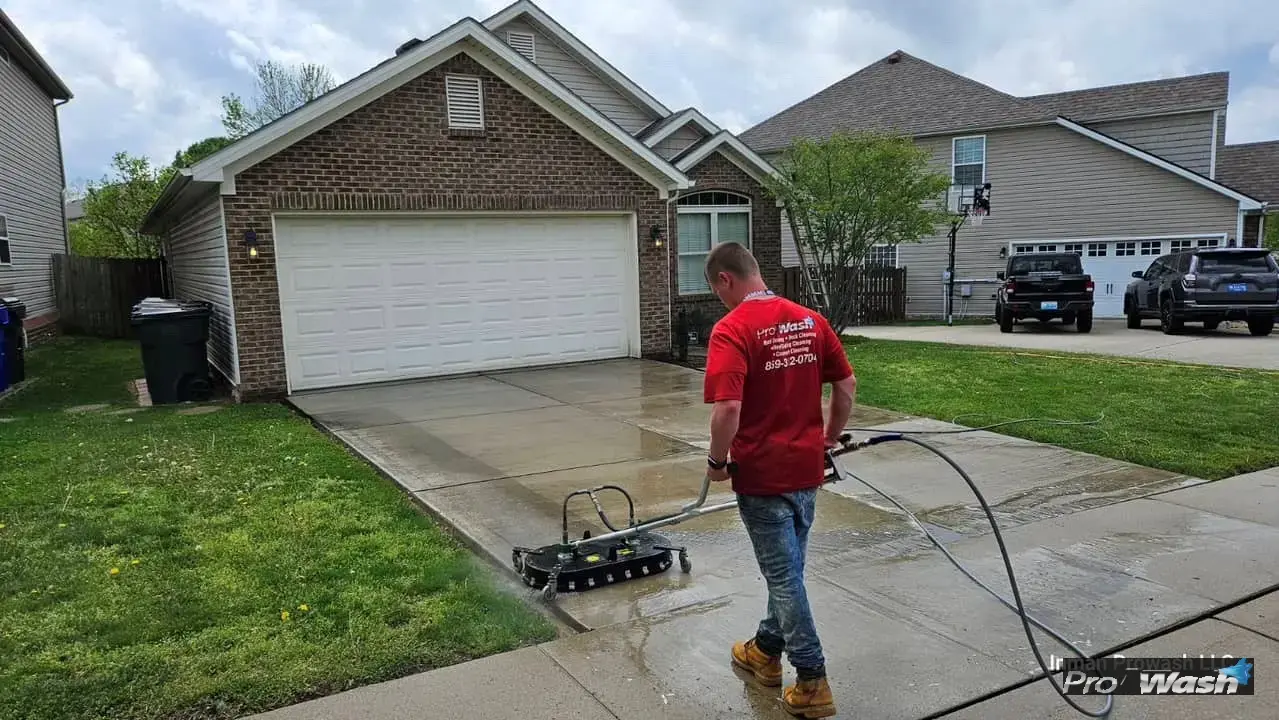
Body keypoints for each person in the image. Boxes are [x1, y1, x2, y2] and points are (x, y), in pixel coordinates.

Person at [700, 241, 856, 718]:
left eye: (718, 291)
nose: (721, 300)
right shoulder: (810, 320)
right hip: (806, 472)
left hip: (763, 477)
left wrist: (716, 461)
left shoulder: (732, 329)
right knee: (789, 571)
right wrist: (829, 438)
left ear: (726, 279)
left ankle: (812, 680)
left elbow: (728, 408)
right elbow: (846, 386)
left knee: (784, 577)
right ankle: (766, 650)